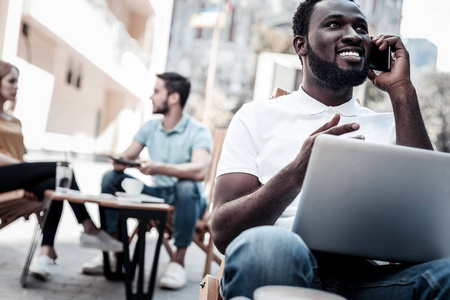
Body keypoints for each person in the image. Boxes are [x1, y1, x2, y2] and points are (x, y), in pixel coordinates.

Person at [211, 0, 450, 299]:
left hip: (370, 281)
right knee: (267, 247)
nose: (353, 35)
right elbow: (223, 232)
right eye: (335, 24)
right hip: (282, 266)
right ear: (301, 45)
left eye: (361, 28)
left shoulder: (395, 124)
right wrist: (297, 173)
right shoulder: (255, 116)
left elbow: (434, 230)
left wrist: (402, 90)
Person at [81, 72, 212, 290]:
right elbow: (127, 155)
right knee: (111, 178)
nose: (151, 97)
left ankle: (178, 262)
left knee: (187, 185)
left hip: (188, 201)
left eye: (156, 91)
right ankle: (113, 249)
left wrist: (159, 167)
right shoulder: (150, 127)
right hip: (157, 194)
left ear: (173, 98)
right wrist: (122, 162)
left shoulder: (198, 131)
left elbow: (199, 170)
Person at [0, 60, 122, 281]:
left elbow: (21, 156)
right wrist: (24, 168)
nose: (16, 86)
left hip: (16, 175)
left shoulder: (15, 121)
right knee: (62, 168)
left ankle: (45, 254)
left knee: (56, 183)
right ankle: (89, 228)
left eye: (17, 81)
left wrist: (26, 168)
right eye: (11, 81)